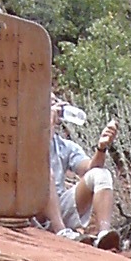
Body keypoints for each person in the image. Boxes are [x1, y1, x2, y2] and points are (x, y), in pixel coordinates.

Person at [43, 95, 119, 246]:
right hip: (34, 209)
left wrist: (101, 147)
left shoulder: (66, 146)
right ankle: (61, 231)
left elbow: (89, 169)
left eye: (56, 101)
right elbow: (39, 157)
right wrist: (47, 124)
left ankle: (104, 234)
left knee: (101, 174)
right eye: (50, 103)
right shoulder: (24, 137)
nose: (57, 107)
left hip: (59, 207)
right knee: (45, 172)